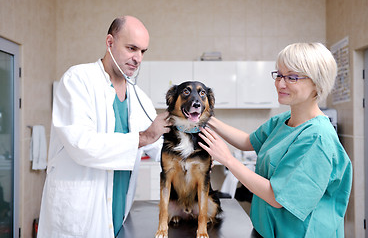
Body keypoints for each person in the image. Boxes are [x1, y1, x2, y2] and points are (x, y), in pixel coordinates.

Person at [198, 43, 352, 237]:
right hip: (266, 230)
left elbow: (276, 197)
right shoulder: (283, 120)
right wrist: (204, 117)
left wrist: (228, 160)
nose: (280, 84)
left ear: (317, 83)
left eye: (292, 77)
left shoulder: (318, 138)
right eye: (279, 75)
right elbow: (247, 141)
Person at [37, 16, 171, 238]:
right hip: (80, 214)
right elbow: (82, 144)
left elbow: (161, 148)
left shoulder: (139, 97)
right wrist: (145, 137)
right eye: (131, 48)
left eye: (143, 52)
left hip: (117, 211)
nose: (138, 58)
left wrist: (195, 153)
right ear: (110, 42)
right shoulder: (78, 80)